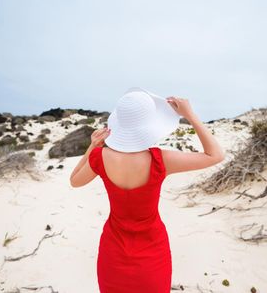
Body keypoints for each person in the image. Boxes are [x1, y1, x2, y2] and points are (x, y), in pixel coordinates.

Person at [69, 87, 225, 292]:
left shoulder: (100, 157)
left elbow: (74, 181)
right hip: (152, 250)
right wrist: (190, 115)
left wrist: (93, 146)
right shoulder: (161, 160)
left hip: (113, 251)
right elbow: (215, 155)